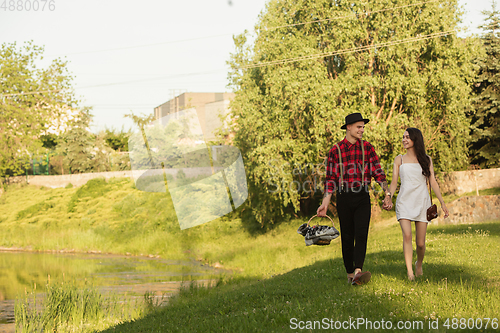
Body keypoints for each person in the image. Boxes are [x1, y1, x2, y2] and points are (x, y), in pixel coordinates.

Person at [317, 113, 392, 285]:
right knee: (348, 237)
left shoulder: (368, 148)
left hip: (362, 196)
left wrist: (387, 193)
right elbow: (330, 179)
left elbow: (378, 173)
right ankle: (350, 274)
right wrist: (325, 203)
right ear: (348, 127)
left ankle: (358, 270)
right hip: (344, 197)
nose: (362, 130)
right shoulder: (335, 151)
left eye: (363, 127)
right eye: (359, 127)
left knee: (361, 233)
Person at [385, 128, 449, 281]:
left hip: (422, 202)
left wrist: (442, 203)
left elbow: (432, 181)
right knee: (407, 236)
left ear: (415, 139)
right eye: (403, 137)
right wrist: (388, 196)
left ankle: (418, 264)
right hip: (404, 202)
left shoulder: (426, 159)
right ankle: (410, 273)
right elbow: (394, 182)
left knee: (420, 243)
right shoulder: (398, 159)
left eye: (407, 137)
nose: (404, 140)